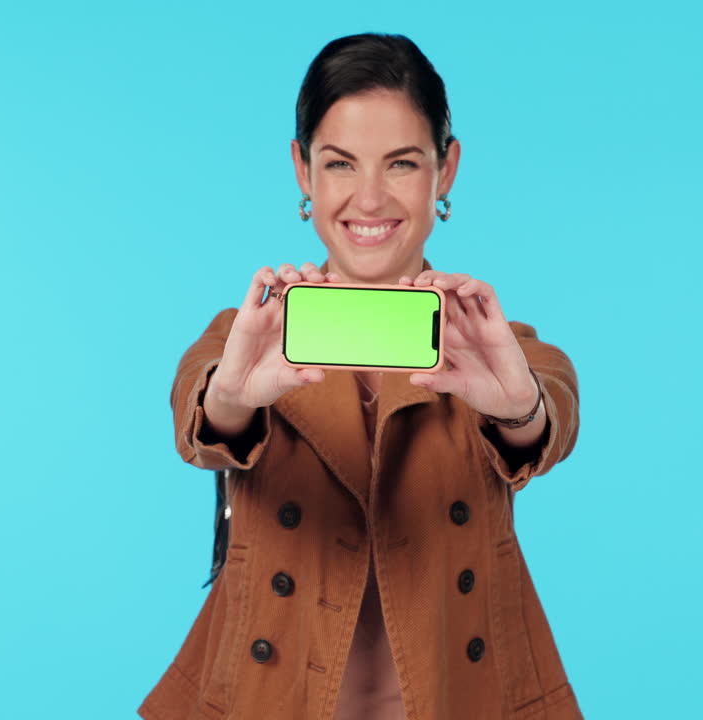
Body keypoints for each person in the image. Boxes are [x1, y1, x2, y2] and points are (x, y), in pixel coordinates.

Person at [139, 33, 584, 720]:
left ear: (446, 170)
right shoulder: (251, 339)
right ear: (302, 171)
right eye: (340, 163)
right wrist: (231, 398)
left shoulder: (484, 347)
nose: (369, 198)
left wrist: (520, 411)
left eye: (402, 163)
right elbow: (197, 412)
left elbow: (550, 400)